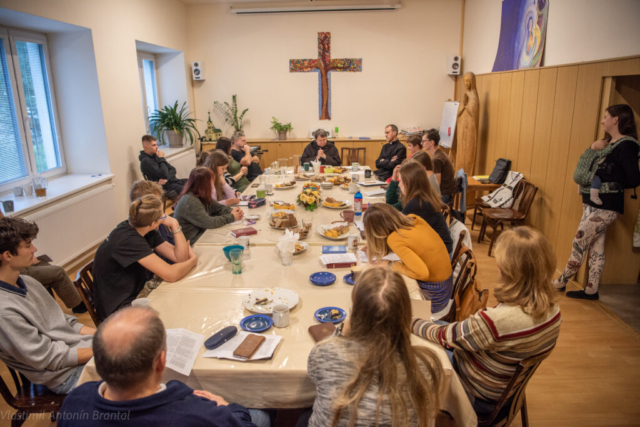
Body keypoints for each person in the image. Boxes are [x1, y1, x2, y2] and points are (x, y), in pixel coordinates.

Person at [413, 227, 562, 417]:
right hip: (505, 388)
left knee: (416, 350)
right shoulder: (554, 310)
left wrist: (409, 321)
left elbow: (444, 336)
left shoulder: (497, 321)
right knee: (436, 326)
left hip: (478, 397)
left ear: (510, 271)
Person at [59, 307, 265, 427]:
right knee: (261, 414)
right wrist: (229, 407)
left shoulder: (74, 403)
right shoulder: (199, 415)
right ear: (160, 362)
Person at [305, 267, 442, 427]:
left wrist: (342, 332)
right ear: (406, 315)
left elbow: (315, 377)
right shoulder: (427, 364)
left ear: (356, 314)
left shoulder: (325, 353)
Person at [553, 104, 640, 300]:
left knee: (580, 240)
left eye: (606, 116)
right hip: (591, 203)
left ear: (616, 119)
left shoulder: (627, 145)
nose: (603, 121)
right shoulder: (607, 143)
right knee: (596, 246)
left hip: (605, 205)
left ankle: (561, 281)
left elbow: (634, 178)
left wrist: (609, 178)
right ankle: (592, 289)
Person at [0, 217, 94, 394]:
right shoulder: (4, 311)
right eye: (28, 245)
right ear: (7, 255)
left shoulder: (27, 281)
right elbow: (49, 358)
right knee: (143, 372)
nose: (34, 250)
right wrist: (103, 351)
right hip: (67, 375)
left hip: (79, 351)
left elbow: (62, 321)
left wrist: (102, 334)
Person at [93, 195, 197, 319]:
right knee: (182, 308)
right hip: (121, 307)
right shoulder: (128, 240)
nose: (165, 217)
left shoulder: (142, 228)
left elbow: (180, 258)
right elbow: (171, 274)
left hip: (136, 290)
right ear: (154, 223)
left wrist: (175, 224)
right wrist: (193, 261)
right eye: (162, 216)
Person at [363, 204, 452, 313]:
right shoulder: (413, 219)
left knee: (382, 302)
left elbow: (422, 274)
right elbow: (408, 243)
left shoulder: (394, 239)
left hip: (434, 297)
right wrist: (377, 246)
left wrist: (390, 264)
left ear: (377, 231)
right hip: (445, 286)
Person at [392, 161, 453, 254]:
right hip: (440, 248)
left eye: (400, 181)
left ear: (408, 183)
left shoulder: (417, 204)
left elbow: (400, 229)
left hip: (440, 254)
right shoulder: (423, 198)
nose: (399, 185)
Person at [173, 167, 244, 244]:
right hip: (192, 243)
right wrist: (232, 217)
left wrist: (231, 211)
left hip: (202, 235)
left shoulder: (201, 195)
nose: (213, 185)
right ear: (204, 184)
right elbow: (208, 222)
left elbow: (218, 208)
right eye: (211, 182)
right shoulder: (190, 200)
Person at [422, 129, 455, 204]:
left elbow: (436, 184)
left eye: (423, 141)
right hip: (445, 193)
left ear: (431, 142)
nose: (421, 143)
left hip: (443, 195)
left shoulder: (436, 159)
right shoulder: (439, 153)